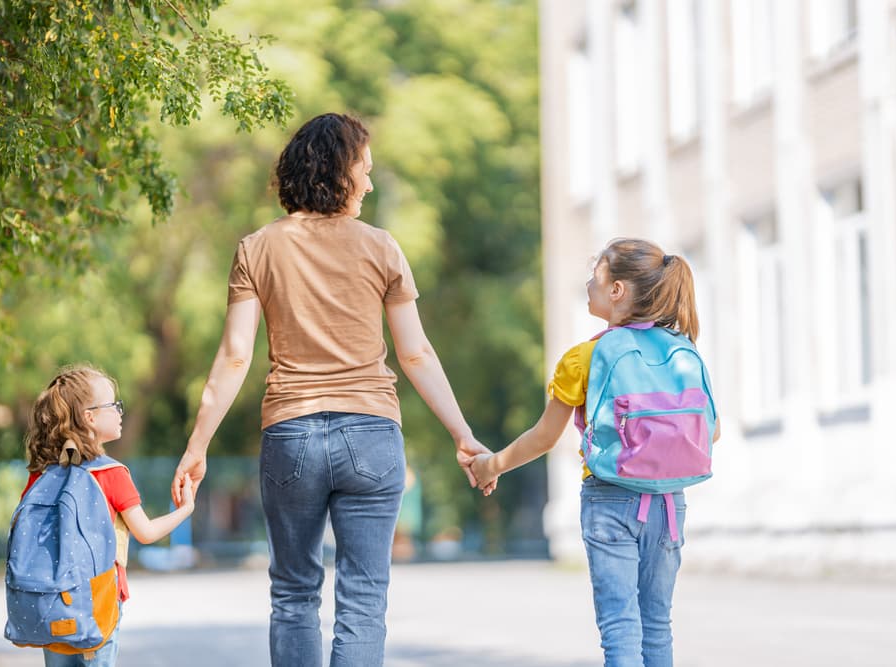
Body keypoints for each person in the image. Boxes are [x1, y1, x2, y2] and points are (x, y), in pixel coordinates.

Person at [170, 112, 494, 667]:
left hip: (290, 434)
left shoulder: (258, 248)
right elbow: (416, 353)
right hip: (370, 434)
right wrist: (462, 435)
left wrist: (197, 445)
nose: (369, 183)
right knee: (363, 600)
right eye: (364, 170)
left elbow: (236, 355)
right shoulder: (382, 247)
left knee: (294, 594)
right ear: (339, 172)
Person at [470, 238, 721, 667]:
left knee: (621, 626)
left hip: (609, 501)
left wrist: (490, 464)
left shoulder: (584, 356)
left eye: (596, 275)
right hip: (669, 505)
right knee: (656, 625)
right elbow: (710, 433)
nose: (589, 283)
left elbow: (545, 438)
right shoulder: (683, 351)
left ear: (617, 290)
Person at [21, 364, 196, 667]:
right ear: (90, 417)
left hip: (49, 599)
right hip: (98, 602)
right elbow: (146, 533)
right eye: (113, 405)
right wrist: (186, 509)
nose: (120, 412)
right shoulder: (111, 473)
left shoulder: (43, 474)